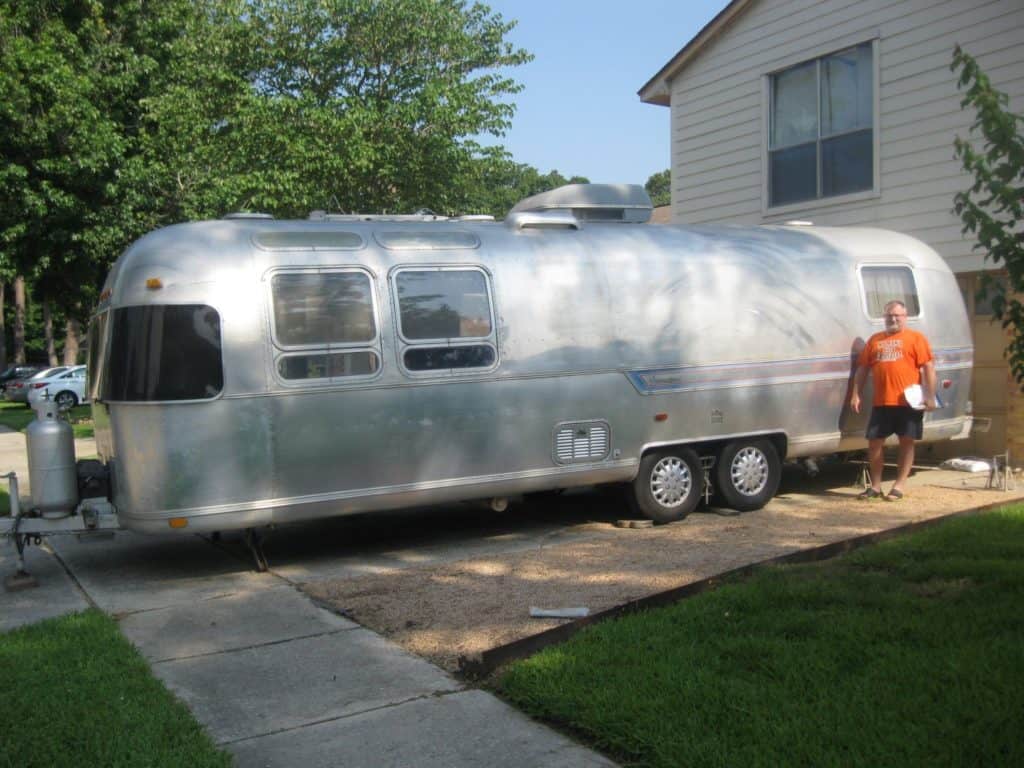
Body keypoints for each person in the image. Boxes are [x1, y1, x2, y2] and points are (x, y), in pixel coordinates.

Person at [850, 300, 938, 500]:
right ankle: (875, 486)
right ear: (884, 318)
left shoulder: (916, 338)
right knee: (874, 443)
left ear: (905, 317)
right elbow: (863, 368)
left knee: (906, 442)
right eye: (889, 315)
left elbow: (928, 368)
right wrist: (856, 393)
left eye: (897, 315)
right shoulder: (875, 340)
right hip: (881, 402)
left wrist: (930, 396)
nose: (893, 319)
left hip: (908, 402)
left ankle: (899, 486)